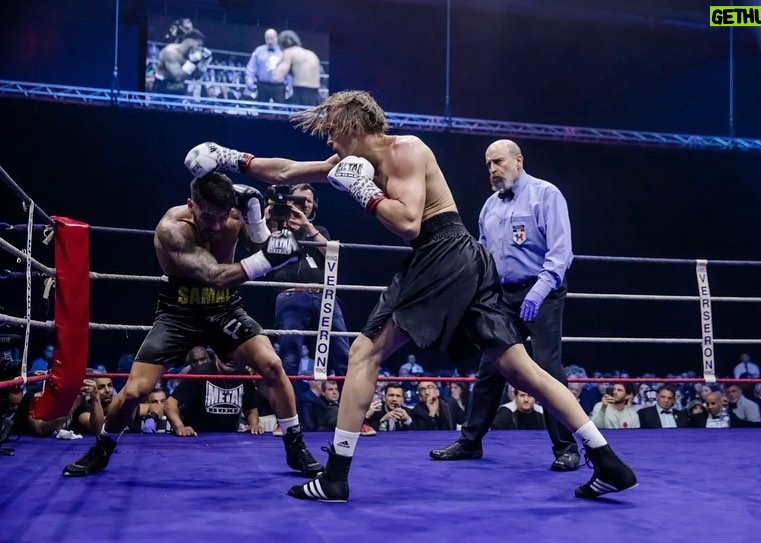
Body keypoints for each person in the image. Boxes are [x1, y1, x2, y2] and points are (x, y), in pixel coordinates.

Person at [183, 90, 637, 503]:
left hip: (441, 251)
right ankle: (606, 459)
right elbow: (284, 169)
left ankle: (336, 475)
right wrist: (232, 158)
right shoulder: (351, 161)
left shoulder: (408, 149)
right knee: (520, 368)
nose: (328, 145)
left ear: (354, 126)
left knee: (363, 352)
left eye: (332, 133)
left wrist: (364, 192)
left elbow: (408, 224)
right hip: (464, 261)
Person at [61, 173, 323, 478]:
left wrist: (256, 216)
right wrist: (266, 260)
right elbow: (214, 274)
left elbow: (261, 243)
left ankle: (295, 446)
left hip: (224, 309)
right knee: (135, 391)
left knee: (272, 365)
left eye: (220, 218)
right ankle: (101, 448)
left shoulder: (233, 217)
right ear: (191, 205)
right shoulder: (172, 229)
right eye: (207, 216)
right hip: (178, 314)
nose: (214, 226)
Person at [430, 139, 579, 471]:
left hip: (542, 291)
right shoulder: (489, 207)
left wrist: (539, 290)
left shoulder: (547, 195)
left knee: (546, 367)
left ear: (518, 161)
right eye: (488, 165)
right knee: (490, 369)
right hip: (500, 296)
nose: (493, 170)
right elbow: (482, 256)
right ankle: (470, 442)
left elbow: (561, 251)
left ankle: (567, 448)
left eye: (498, 162)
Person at [266, 183, 350, 379]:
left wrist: (306, 225)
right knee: (289, 356)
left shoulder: (318, 230)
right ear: (288, 201)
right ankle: (288, 408)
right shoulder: (276, 227)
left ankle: (348, 408)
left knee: (343, 354)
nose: (303, 205)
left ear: (314, 206)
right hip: (291, 294)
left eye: (308, 201)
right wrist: (272, 207)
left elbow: (332, 253)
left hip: (324, 295)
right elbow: (259, 233)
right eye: (298, 200)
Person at [269, 30, 322, 106]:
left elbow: (277, 77)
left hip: (300, 95)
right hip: (316, 96)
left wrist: (272, 64)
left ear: (281, 44)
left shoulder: (289, 52)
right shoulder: (311, 54)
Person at [155, 29, 212, 95]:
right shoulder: (170, 53)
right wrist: (192, 63)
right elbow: (178, 77)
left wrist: (204, 63)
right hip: (163, 91)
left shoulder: (190, 54)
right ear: (189, 41)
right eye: (199, 45)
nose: (199, 48)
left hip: (180, 91)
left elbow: (196, 77)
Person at [245, 28, 287, 103]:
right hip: (262, 85)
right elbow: (250, 68)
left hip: (279, 86)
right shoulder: (258, 51)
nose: (269, 41)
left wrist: (289, 86)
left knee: (280, 110)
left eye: (272, 38)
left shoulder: (283, 52)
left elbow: (287, 70)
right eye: (267, 39)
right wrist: (249, 80)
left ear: (277, 38)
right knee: (262, 110)